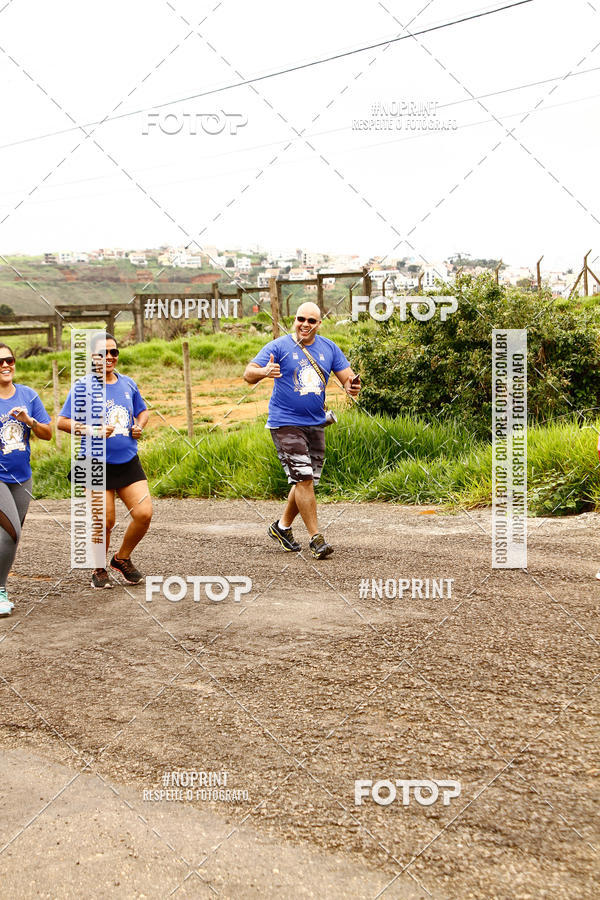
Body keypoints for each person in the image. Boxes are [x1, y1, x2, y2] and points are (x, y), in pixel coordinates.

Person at [243, 302, 360, 559]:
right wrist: (264, 371)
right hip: (285, 422)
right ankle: (316, 539)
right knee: (304, 479)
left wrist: (352, 386)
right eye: (300, 319)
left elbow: (347, 379)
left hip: (316, 422)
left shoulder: (329, 348)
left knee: (304, 480)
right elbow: (248, 373)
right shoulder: (279, 346)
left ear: (319, 324)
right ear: (294, 320)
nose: (305, 324)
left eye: (311, 321)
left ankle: (282, 527)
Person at [57, 333, 152, 588]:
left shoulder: (128, 384)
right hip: (94, 463)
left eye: (113, 352)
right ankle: (98, 568)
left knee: (144, 514)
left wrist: (139, 426)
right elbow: (62, 422)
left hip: (127, 460)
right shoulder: (82, 387)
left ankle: (121, 559)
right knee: (105, 520)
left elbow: (143, 411)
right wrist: (91, 430)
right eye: (103, 353)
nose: (109, 357)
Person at [0, 343, 52, 617]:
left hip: (22, 477)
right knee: (12, 532)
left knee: (9, 537)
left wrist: (29, 420)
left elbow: (47, 434)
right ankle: (0, 591)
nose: (5, 365)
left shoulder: (28, 395)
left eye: (9, 360)